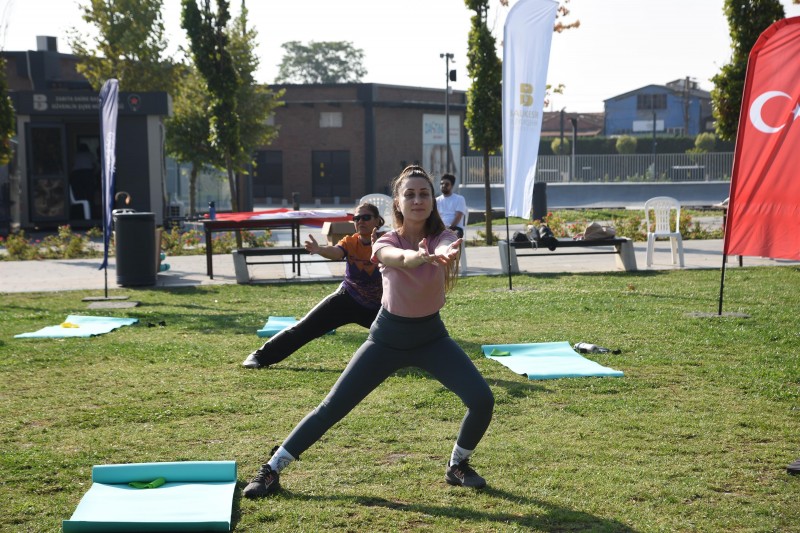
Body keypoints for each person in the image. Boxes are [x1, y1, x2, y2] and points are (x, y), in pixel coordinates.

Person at [243, 165, 494, 498]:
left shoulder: (442, 236)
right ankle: (271, 469)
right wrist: (419, 257)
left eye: (424, 194)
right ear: (398, 203)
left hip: (431, 337)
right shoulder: (383, 240)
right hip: (386, 338)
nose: (417, 200)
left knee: (482, 400)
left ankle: (457, 464)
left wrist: (443, 251)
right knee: (331, 408)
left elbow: (448, 242)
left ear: (433, 200)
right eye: (410, 194)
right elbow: (397, 258)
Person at [241, 202, 384, 369]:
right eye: (356, 218)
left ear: (377, 220)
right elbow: (336, 252)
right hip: (348, 298)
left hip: (380, 305)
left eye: (366, 217)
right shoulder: (350, 242)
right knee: (305, 327)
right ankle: (259, 357)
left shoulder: (388, 241)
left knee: (402, 333)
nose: (360, 221)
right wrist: (320, 249)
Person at [436, 173, 468, 239]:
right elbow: (436, 217)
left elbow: (458, 217)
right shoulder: (436, 200)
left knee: (450, 237)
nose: (443, 185)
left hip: (455, 228)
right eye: (441, 184)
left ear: (452, 186)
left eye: (447, 184)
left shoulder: (459, 199)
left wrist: (449, 228)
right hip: (440, 228)